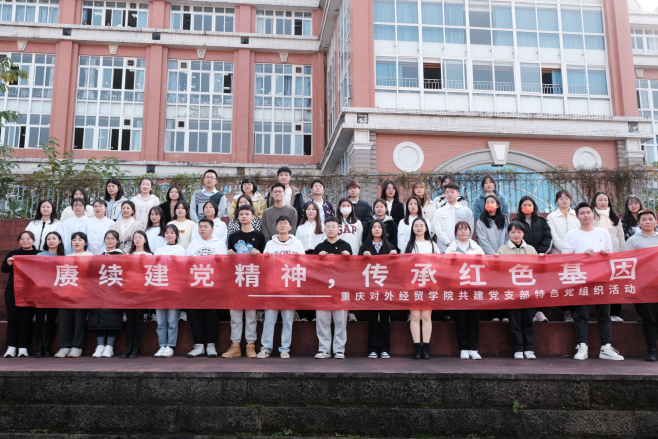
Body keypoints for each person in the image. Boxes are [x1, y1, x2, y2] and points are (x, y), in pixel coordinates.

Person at [562, 202, 624, 361]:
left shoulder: (603, 233)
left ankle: (606, 347)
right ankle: (582, 346)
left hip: (602, 278)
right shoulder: (572, 234)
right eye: (582, 213)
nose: (586, 215)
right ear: (577, 216)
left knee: (605, 314)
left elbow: (610, 254)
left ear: (592, 214)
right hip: (581, 279)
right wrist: (582, 255)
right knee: (582, 314)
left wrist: (604, 253)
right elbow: (565, 257)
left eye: (588, 212)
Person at [257, 216, 305, 359]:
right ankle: (266, 348)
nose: (283, 225)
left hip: (290, 287)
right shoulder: (270, 244)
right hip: (272, 286)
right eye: (280, 224)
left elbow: (304, 264)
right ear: (276, 227)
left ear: (290, 227)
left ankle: (285, 349)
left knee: (288, 320)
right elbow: (264, 265)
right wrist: (265, 258)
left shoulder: (297, 244)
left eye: (285, 223)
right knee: (269, 320)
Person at [224, 205, 267, 358]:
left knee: (251, 314)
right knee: (235, 313)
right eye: (241, 214)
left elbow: (265, 260)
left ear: (253, 217)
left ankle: (250, 344)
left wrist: (259, 254)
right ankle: (235, 345)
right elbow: (228, 259)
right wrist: (229, 254)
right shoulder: (233, 236)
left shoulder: (260, 236)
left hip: (252, 278)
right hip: (237, 278)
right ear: (237, 217)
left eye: (247, 214)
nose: (243, 216)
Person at [497, 221, 541, 360]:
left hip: (528, 291)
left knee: (528, 321)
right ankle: (517, 349)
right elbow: (498, 269)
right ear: (508, 234)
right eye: (513, 232)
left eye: (519, 232)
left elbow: (538, 268)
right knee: (514, 322)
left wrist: (542, 259)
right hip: (512, 292)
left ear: (523, 233)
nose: (516, 235)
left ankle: (529, 349)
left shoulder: (531, 249)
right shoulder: (502, 250)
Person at [186, 218, 228, 358]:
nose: (202, 229)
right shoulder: (193, 243)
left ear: (212, 229)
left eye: (205, 226)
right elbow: (186, 263)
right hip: (196, 284)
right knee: (195, 314)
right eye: (200, 227)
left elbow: (224, 264)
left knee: (211, 314)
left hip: (212, 285)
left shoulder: (219, 244)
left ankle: (211, 345)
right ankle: (198, 346)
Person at [445, 221, 485, 360]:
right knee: (460, 319)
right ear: (456, 232)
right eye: (460, 229)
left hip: (474, 288)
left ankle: (473, 349)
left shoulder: (477, 248)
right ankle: (463, 348)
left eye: (466, 229)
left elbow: (485, 265)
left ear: (470, 232)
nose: (463, 231)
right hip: (458, 288)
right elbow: (444, 266)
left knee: (473, 320)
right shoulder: (450, 248)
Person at [314, 216, 353, 359]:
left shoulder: (346, 246)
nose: (331, 229)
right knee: (322, 321)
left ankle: (339, 349)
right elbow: (313, 269)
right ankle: (324, 349)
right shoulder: (319, 247)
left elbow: (352, 269)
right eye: (328, 227)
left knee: (340, 321)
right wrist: (319, 258)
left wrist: (348, 258)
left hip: (340, 289)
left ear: (339, 229)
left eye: (334, 226)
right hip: (323, 289)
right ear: (324, 229)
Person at [359, 219, 397, 359]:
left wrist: (394, 256)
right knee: (373, 320)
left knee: (385, 319)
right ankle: (373, 349)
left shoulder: (390, 247)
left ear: (383, 230)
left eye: (379, 227)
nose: (376, 229)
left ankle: (385, 348)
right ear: (370, 230)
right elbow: (357, 267)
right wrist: (363, 258)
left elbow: (397, 267)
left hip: (386, 289)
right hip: (370, 289)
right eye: (374, 227)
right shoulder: (364, 247)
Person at [402, 217, 439, 360]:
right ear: (412, 228)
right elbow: (402, 264)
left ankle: (426, 348)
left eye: (421, 225)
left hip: (429, 284)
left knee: (427, 316)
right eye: (416, 225)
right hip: (412, 284)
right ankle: (417, 347)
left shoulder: (432, 245)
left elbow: (439, 263)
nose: (418, 228)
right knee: (415, 316)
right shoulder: (407, 245)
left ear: (426, 228)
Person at [625, 210, 658, 361]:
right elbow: (628, 262)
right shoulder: (633, 240)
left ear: (656, 222)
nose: (647, 222)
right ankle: (651, 350)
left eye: (650, 219)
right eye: (644, 219)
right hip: (645, 285)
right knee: (649, 319)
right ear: (638, 223)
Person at [2, 231, 40, 358]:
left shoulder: (39, 254)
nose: (25, 241)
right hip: (13, 289)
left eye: (28, 238)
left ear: (33, 240)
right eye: (22, 239)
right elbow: (4, 269)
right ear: (19, 241)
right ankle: (11, 347)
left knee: (26, 319)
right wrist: (9, 264)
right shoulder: (13, 253)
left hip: (31, 291)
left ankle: (23, 347)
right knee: (13, 319)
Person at [54, 232, 92, 358]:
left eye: (80, 240)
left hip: (82, 293)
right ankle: (64, 346)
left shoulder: (91, 257)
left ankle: (77, 346)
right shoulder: (67, 257)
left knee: (80, 320)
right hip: (67, 293)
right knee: (64, 320)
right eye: (74, 240)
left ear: (85, 243)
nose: (76, 242)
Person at [516, 196, 553, 323]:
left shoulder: (542, 221)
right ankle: (529, 312)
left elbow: (548, 238)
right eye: (524, 205)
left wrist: (540, 253)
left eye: (529, 205)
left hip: (539, 258)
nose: (527, 207)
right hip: (523, 259)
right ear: (520, 207)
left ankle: (539, 311)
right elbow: (514, 238)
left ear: (534, 207)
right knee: (525, 285)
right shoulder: (516, 221)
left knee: (540, 285)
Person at [88, 231, 124, 359]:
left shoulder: (122, 256)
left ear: (117, 241)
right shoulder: (98, 256)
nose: (109, 240)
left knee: (112, 318)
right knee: (98, 317)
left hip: (115, 292)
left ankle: (109, 347)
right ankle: (100, 345)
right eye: (107, 238)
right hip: (99, 292)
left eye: (112, 238)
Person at [592, 192, 626, 322]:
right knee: (600, 285)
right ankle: (603, 313)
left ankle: (615, 313)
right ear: (594, 202)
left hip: (614, 254)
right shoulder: (591, 216)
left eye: (605, 200)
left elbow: (621, 237)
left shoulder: (614, 217)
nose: (603, 202)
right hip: (598, 255)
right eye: (600, 200)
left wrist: (622, 254)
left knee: (615, 284)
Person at [547, 190, 580, 322]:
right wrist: (566, 250)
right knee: (563, 283)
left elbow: (581, 232)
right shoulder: (552, 216)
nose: (564, 200)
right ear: (556, 201)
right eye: (561, 199)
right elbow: (553, 236)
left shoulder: (577, 214)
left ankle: (576, 310)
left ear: (570, 200)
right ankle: (566, 311)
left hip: (577, 254)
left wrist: (574, 250)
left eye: (567, 198)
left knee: (576, 283)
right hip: (559, 254)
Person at [475, 194, 509, 323]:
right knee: (491, 287)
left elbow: (508, 236)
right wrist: (492, 255)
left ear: (498, 205)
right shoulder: (481, 221)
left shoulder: (504, 219)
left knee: (504, 286)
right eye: (487, 202)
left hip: (503, 257)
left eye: (492, 202)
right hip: (488, 258)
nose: (489, 204)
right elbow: (482, 240)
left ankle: (505, 313)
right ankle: (493, 314)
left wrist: (501, 253)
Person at [153, 225, 185, 356]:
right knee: (160, 321)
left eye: (172, 232)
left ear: (176, 235)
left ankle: (170, 345)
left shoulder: (181, 250)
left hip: (174, 288)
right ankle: (162, 345)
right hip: (160, 288)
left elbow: (185, 269)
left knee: (172, 320)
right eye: (167, 232)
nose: (169, 235)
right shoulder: (158, 250)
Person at [33, 231, 64, 358]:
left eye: (54, 238)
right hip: (41, 291)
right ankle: (39, 346)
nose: (51, 241)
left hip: (56, 292)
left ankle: (47, 346)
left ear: (59, 241)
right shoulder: (40, 255)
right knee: (39, 319)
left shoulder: (64, 256)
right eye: (48, 239)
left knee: (51, 320)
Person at [295, 202, 326, 323]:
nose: (311, 211)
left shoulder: (322, 227)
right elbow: (297, 244)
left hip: (318, 257)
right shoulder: (300, 228)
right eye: (308, 209)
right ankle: (303, 315)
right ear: (305, 212)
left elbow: (324, 243)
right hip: (304, 257)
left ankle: (314, 315)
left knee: (316, 287)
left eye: (313, 209)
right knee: (304, 287)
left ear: (317, 212)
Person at [433, 183, 474, 253]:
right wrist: (448, 243)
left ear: (458, 194)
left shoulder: (466, 211)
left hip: (462, 249)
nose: (450, 194)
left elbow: (470, 229)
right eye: (447, 192)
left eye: (452, 192)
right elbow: (438, 230)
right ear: (444, 194)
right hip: (444, 249)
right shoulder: (438, 212)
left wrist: (463, 243)